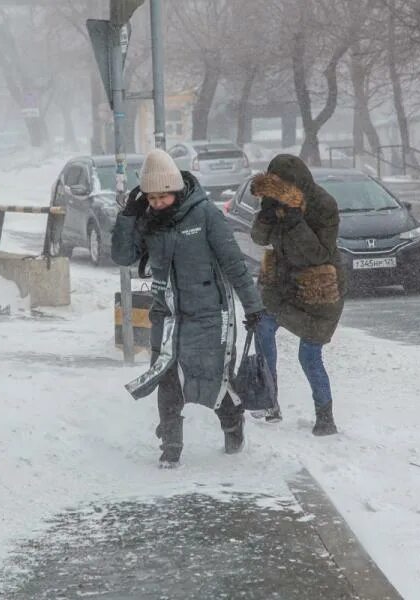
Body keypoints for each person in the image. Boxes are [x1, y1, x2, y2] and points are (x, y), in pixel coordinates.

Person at [112, 149, 264, 468]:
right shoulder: (148, 220)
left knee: (212, 379)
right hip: (166, 316)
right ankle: (171, 445)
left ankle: (232, 421)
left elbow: (234, 264)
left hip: (209, 315)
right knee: (167, 377)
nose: (156, 205)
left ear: (176, 190)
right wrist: (128, 216)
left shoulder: (205, 214)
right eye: (150, 199)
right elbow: (124, 256)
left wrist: (253, 308)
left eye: (162, 198)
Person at [249, 154, 346, 436]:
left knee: (309, 354)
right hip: (281, 282)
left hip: (319, 287)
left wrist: (295, 222)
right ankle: (269, 401)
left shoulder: (323, 205)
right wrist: (266, 215)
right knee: (263, 329)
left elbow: (321, 253)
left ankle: (325, 416)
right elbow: (258, 238)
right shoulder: (273, 202)